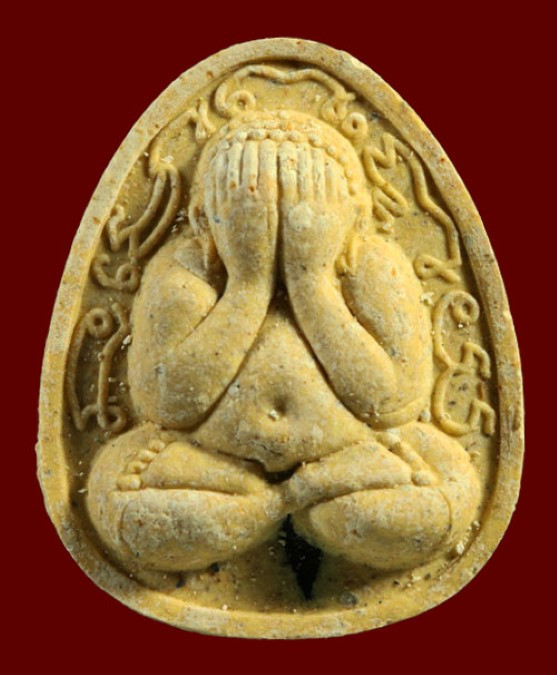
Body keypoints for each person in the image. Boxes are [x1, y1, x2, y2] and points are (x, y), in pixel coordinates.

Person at [87, 111, 479, 573]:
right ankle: (278, 506)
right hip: (206, 466)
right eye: (249, 204)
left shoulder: (374, 265)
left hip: (357, 463)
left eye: (308, 202)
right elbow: (166, 405)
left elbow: (393, 405)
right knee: (119, 499)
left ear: (355, 219)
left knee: (443, 498)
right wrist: (248, 282)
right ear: (203, 220)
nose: (277, 222)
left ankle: (278, 507)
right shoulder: (183, 270)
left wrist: (311, 281)